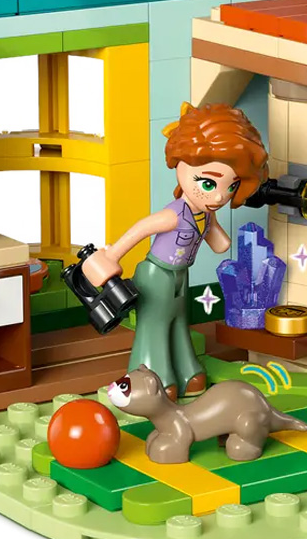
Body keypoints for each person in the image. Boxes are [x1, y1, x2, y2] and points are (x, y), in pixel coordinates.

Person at [81, 102, 268, 401]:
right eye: (208, 183)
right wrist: (112, 255)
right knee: (154, 325)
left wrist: (215, 228)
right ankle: (151, 376)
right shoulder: (173, 215)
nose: (219, 196)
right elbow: (140, 230)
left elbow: (220, 243)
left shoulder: (205, 213)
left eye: (231, 187)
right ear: (181, 166)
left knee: (179, 323)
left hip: (180, 274)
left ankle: (186, 371)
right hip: (157, 274)